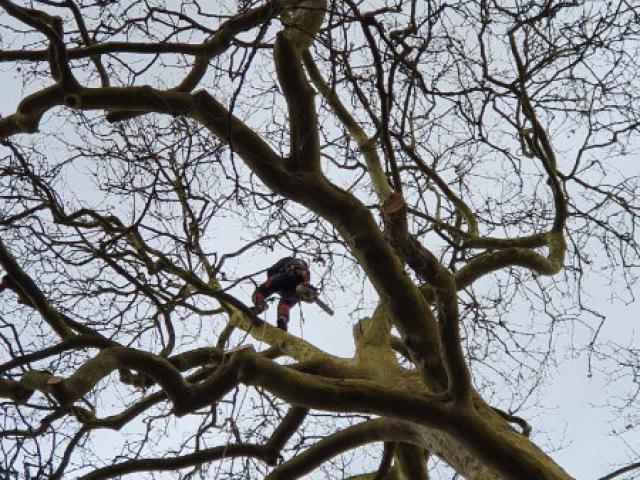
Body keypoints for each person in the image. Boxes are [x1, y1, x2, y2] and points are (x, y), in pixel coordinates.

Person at [251, 257, 318, 331]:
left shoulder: (290, 261)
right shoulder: (302, 266)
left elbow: (271, 271)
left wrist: (272, 281)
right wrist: (305, 285)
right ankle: (283, 319)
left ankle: (260, 306)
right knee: (285, 303)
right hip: (293, 286)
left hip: (280, 279)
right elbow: (305, 275)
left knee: (259, 293)